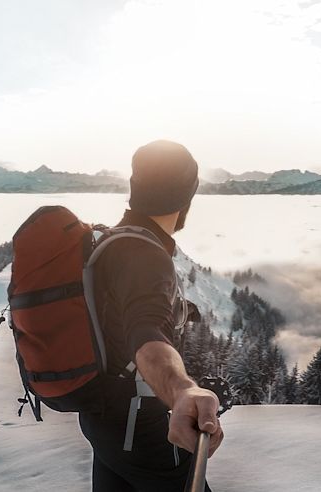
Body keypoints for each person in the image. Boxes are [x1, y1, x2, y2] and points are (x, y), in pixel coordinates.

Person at [78, 140, 224, 491]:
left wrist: (177, 309)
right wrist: (182, 390)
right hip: (142, 427)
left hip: (104, 420)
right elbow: (146, 334)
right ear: (186, 197)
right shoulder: (146, 255)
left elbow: (125, 314)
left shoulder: (112, 242)